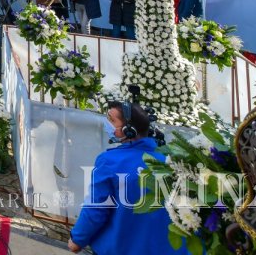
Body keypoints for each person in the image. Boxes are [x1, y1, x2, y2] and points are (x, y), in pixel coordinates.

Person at [68, 102, 181, 254]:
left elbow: (96, 208)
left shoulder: (110, 162)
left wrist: (77, 239)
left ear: (129, 130)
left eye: (112, 120)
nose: (107, 124)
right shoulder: (171, 161)